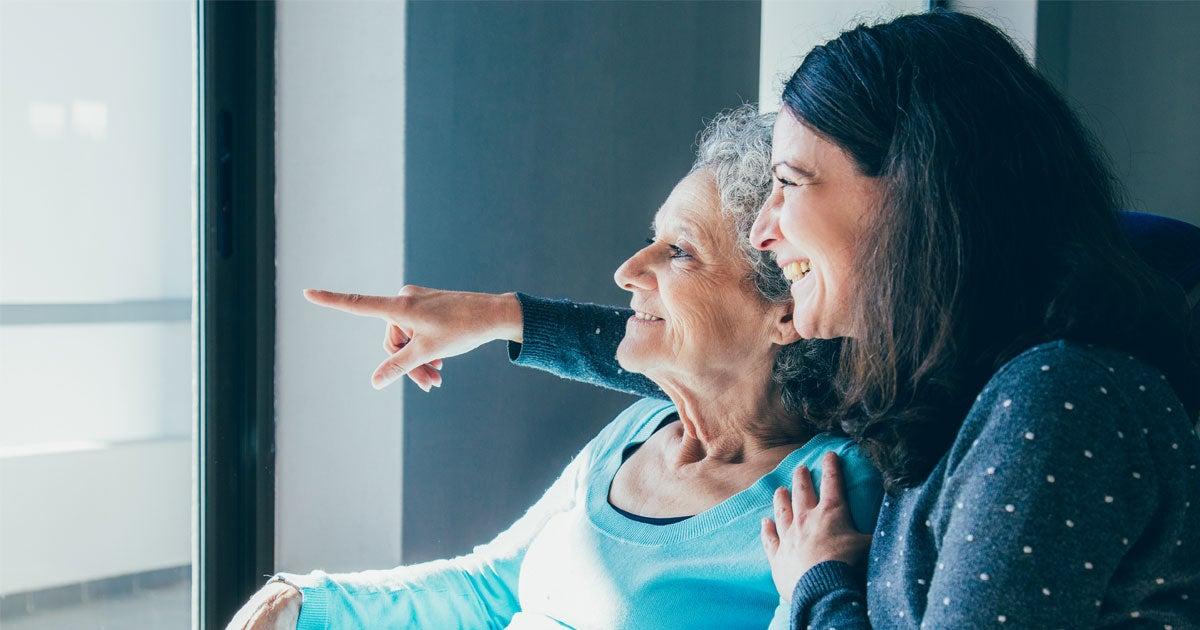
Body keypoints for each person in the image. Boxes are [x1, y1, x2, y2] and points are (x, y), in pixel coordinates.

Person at [257, 10, 1199, 629]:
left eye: (791, 184)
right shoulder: (933, 391)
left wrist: (819, 582)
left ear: (915, 198)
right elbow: (722, 364)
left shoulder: (1053, 402)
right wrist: (501, 320)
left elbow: (749, 367)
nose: (766, 227)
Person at [227, 106, 883, 630]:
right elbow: (488, 591)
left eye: (679, 252)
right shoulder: (639, 430)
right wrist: (307, 604)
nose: (627, 271)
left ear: (784, 310)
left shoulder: (828, 494)